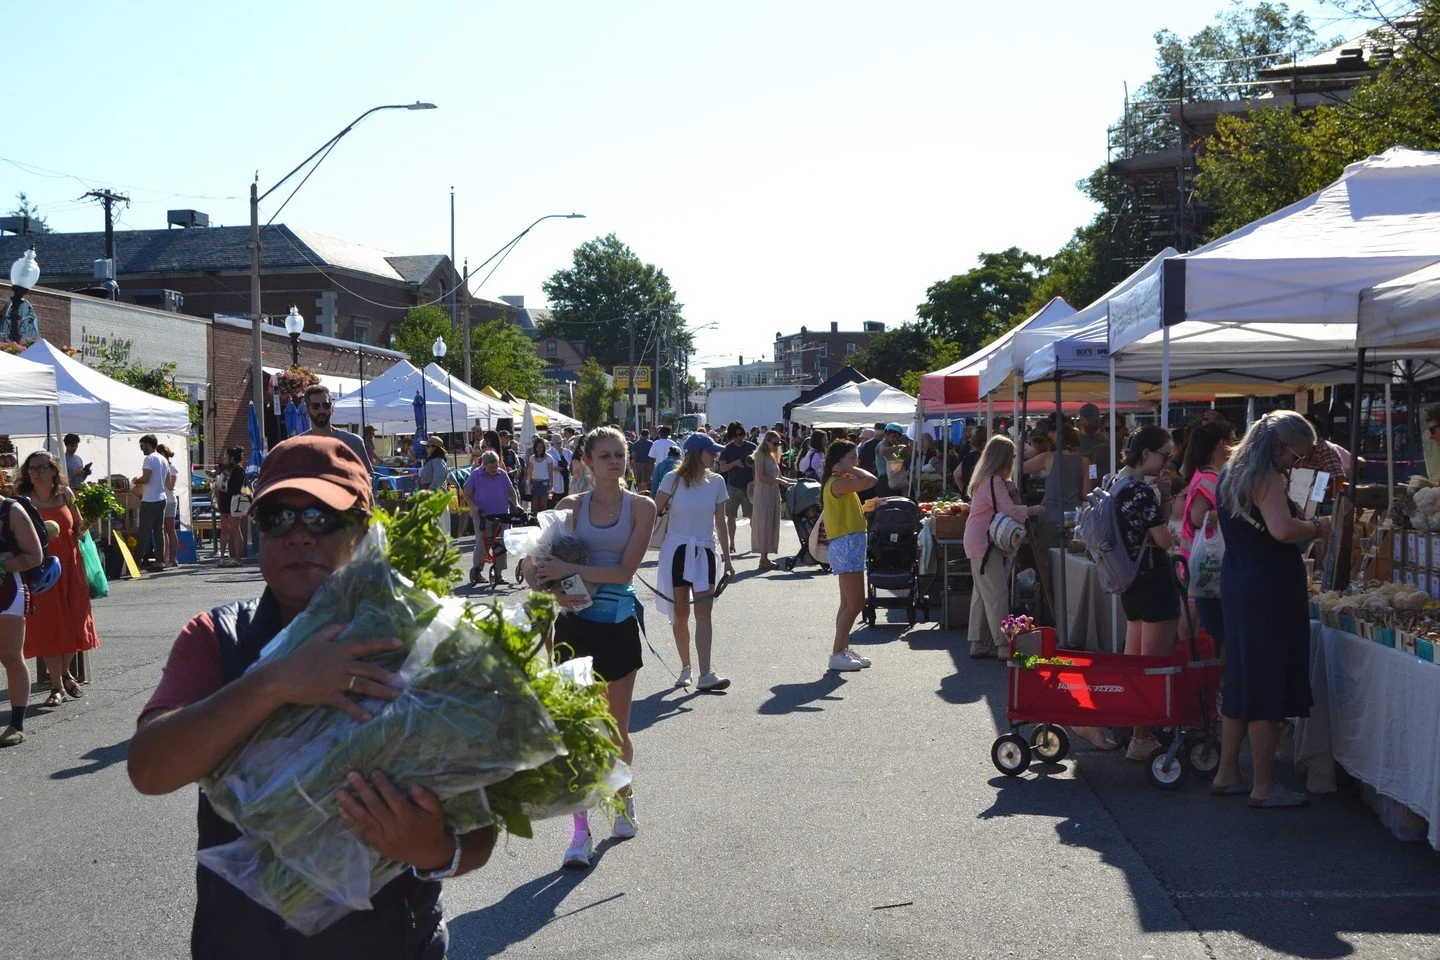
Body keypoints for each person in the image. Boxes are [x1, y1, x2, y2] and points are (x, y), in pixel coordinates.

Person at [128, 436, 496, 955]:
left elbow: (479, 833)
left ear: (363, 531)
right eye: (277, 517)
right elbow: (149, 769)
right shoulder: (218, 637)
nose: (299, 535)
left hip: (390, 943)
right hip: (241, 944)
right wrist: (274, 681)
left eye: (322, 517)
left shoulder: (428, 647)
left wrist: (433, 849)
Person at [522, 427, 654, 869]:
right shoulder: (568, 508)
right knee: (577, 731)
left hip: (617, 626)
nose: (614, 461)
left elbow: (623, 572)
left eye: (619, 454)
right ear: (586, 462)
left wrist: (567, 567)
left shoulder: (641, 507)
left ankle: (623, 799)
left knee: (615, 731)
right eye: (604, 455)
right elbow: (534, 565)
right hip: (573, 628)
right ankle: (579, 831)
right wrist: (547, 584)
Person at [1212, 411, 1321, 809]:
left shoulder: (1231, 471)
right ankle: (1264, 785)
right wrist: (1317, 527)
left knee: (1243, 680)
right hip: (1267, 589)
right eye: (1296, 455)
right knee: (1265, 685)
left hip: (1241, 582)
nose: (1296, 463)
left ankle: (1227, 773)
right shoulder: (1265, 476)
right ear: (1278, 446)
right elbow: (1283, 529)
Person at [1112, 426, 1179, 761]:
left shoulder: (1117, 482)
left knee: (1135, 661)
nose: (1168, 462)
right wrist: (1170, 531)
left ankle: (1131, 726)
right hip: (1153, 580)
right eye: (1165, 455)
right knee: (1152, 665)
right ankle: (1141, 737)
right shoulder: (1139, 489)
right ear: (1147, 453)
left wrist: (1164, 495)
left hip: (1130, 581)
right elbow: (1163, 539)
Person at [653, 432, 735, 692]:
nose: (716, 455)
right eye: (711, 451)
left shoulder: (717, 481)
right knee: (681, 614)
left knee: (704, 613)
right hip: (677, 550)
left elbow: (720, 522)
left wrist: (728, 559)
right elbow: (652, 511)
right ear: (697, 453)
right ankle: (686, 667)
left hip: (705, 550)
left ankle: (706, 673)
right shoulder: (672, 479)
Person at [17, 450, 99, 708]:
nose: (36, 472)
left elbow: (79, 528)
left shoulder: (66, 494)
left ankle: (64, 673)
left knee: (76, 619)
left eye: (41, 467)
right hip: (41, 570)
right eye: (31, 468)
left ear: (53, 470)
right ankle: (57, 686)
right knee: (49, 625)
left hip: (71, 566)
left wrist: (90, 521)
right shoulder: (23, 501)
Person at [963, 436, 1045, 660]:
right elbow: (1012, 510)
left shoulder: (984, 480)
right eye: (1013, 456)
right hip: (985, 543)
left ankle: (978, 643)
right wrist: (1035, 509)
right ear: (1005, 458)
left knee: (982, 594)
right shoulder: (994, 481)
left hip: (977, 540)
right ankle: (1002, 645)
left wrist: (1014, 490)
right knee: (997, 593)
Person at [820, 440, 878, 672]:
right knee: (856, 603)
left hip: (848, 543)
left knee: (847, 603)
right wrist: (851, 468)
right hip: (846, 545)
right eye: (852, 457)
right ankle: (837, 653)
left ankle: (842, 649)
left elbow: (843, 512)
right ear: (839, 459)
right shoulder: (839, 482)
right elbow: (872, 480)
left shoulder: (839, 481)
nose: (856, 461)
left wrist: (864, 509)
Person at [1178, 419, 1236, 649]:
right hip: (1205, 561)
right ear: (1222, 444)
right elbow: (1198, 517)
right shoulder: (1209, 478)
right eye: (1233, 440)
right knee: (1205, 626)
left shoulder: (1204, 474)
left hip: (1199, 558)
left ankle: (1193, 659)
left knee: (1195, 621)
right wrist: (1236, 513)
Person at [0, 486, 44, 746]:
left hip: (8, 590)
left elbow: (35, 557)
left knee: (10, 656)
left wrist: (2, 564)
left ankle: (16, 725)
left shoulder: (12, 511)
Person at [1023, 425, 1091, 566]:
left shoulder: (1048, 457)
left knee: (1047, 562)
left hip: (1049, 516)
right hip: (1073, 519)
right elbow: (1086, 494)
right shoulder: (1085, 462)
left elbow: (1019, 468)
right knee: (1071, 562)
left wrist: (1029, 454)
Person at [462, 451, 519, 585]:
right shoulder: (476, 474)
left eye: (496, 466)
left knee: (501, 544)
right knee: (483, 543)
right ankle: (477, 570)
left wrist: (516, 504)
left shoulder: (502, 474)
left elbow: (511, 491)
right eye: (491, 467)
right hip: (482, 516)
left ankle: (498, 574)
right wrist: (474, 507)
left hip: (502, 515)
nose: (494, 469)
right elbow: (466, 494)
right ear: (484, 464)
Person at [302, 385, 373, 473]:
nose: (321, 410)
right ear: (307, 411)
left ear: (332, 409)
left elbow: (365, 477)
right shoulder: (297, 446)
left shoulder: (353, 442)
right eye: (315, 406)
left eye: (326, 405)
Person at [749, 430, 792, 572]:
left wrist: (796, 481)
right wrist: (779, 481)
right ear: (766, 442)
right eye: (774, 443)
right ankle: (763, 559)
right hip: (763, 493)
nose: (777, 446)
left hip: (773, 492)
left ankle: (765, 558)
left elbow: (781, 477)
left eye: (778, 443)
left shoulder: (772, 456)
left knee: (772, 524)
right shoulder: (760, 455)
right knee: (764, 524)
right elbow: (761, 477)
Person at [715, 423, 757, 554]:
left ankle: (755, 543)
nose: (740, 437)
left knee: (753, 517)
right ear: (732, 436)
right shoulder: (727, 449)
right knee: (731, 516)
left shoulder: (752, 447)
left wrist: (753, 469)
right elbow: (722, 468)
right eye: (737, 435)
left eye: (742, 434)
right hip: (733, 487)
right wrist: (735, 463)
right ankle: (731, 544)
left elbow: (758, 465)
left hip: (749, 487)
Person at [132, 434, 169, 573]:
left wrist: (137, 480)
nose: (141, 448)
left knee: (144, 533)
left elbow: (146, 478)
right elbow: (167, 481)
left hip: (150, 500)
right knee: (159, 532)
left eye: (142, 445)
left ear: (148, 444)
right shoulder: (163, 459)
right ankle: (159, 561)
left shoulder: (149, 459)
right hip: (162, 498)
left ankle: (135, 563)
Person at [223, 446, 249, 568]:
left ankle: (238, 558)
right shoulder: (237, 469)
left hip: (237, 500)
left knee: (236, 528)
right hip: (237, 500)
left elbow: (234, 489)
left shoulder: (237, 470)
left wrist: (222, 488)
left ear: (232, 458)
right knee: (235, 528)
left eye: (226, 456)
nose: (224, 458)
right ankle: (237, 558)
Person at [158, 443, 181, 568]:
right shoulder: (161, 467)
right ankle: (166, 558)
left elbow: (171, 486)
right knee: (164, 530)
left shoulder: (171, 467)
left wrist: (160, 479)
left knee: (171, 529)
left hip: (170, 500)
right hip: (162, 499)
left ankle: (173, 558)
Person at [875, 423, 909, 497]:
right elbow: (883, 452)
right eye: (893, 436)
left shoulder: (893, 447)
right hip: (884, 480)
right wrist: (899, 447)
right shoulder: (882, 444)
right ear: (886, 435)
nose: (895, 439)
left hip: (893, 480)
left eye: (897, 437)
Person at [1076, 403, 1111, 475]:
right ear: (1082, 420)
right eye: (1090, 422)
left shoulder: (1106, 439)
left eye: (1096, 421)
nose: (1094, 424)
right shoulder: (1075, 440)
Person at [955, 426, 986, 499]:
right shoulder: (987, 456)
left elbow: (956, 474)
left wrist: (964, 491)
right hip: (982, 499)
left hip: (968, 497)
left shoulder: (968, 455)